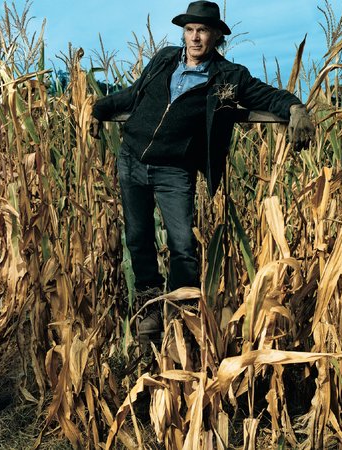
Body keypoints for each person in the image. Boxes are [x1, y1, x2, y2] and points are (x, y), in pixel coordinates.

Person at [89, 1, 315, 335]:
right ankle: (150, 311)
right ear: (184, 33)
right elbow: (134, 94)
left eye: (203, 31)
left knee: (182, 244)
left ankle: (182, 313)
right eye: (190, 30)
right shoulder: (165, 58)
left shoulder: (228, 77)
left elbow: (266, 97)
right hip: (132, 160)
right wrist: (99, 108)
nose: (195, 38)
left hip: (174, 171)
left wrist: (296, 108)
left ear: (216, 37)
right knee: (138, 237)